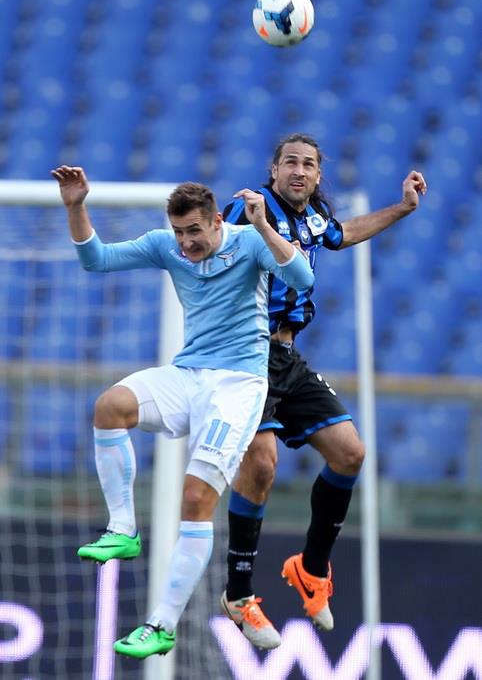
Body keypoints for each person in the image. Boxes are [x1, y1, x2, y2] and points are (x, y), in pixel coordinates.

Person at [51, 165, 314, 660]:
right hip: (188, 373)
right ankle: (123, 528)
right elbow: (96, 260)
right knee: (110, 406)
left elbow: (302, 277)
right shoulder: (166, 246)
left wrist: (262, 225)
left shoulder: (250, 241)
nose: (187, 242)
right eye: (179, 232)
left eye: (195, 230)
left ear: (217, 221)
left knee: (195, 497)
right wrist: (76, 207)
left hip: (238, 386)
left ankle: (161, 625)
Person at [221, 133, 427, 649]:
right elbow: (213, 248)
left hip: (286, 356)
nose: (299, 170)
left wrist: (403, 207)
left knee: (350, 452)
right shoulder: (250, 208)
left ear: (317, 176)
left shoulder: (313, 215)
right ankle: (238, 594)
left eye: (308, 164)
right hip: (245, 353)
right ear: (273, 170)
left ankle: (312, 569)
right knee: (261, 464)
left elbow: (343, 232)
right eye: (290, 162)